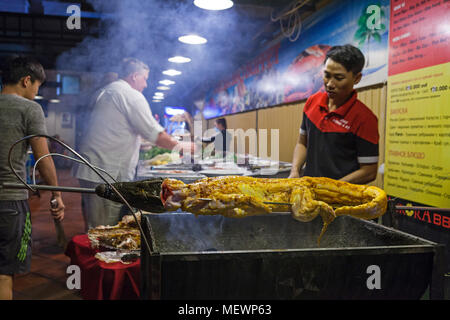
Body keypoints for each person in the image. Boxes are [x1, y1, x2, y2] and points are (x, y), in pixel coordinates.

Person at [73, 57, 193, 231]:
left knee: (95, 225)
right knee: (103, 230)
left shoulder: (106, 91)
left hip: (92, 168)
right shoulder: (130, 94)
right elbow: (156, 134)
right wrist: (183, 146)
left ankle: (92, 254)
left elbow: (112, 128)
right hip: (106, 170)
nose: (145, 84)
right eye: (145, 78)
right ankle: (97, 257)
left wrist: (138, 143)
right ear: (135, 76)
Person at [0, 56, 65, 300]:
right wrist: (57, 195)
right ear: (26, 80)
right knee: (4, 274)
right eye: (37, 85)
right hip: (9, 202)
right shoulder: (29, 109)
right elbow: (43, 157)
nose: (37, 91)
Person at [288, 44, 379, 184]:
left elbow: (369, 171)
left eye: (338, 78)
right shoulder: (312, 102)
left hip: (339, 198)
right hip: (308, 189)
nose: (330, 84)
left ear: (356, 78)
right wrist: (295, 171)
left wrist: (332, 188)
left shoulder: (365, 119)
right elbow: (302, 143)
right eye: (327, 75)